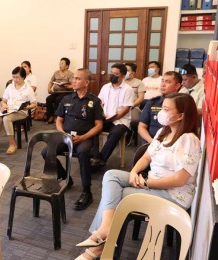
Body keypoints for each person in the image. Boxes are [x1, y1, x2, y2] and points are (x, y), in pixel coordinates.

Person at [74, 93, 201, 260]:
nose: (160, 113)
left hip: (172, 195)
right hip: (150, 182)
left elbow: (180, 180)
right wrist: (134, 172)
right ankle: (105, 230)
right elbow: (147, 157)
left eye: (166, 109)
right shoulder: (164, 131)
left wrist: (148, 183)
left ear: (181, 115)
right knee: (111, 175)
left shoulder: (188, 140)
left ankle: (96, 248)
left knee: (116, 196)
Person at [42, 69, 104, 210]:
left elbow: (99, 126)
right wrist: (63, 133)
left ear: (86, 82)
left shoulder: (94, 101)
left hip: (84, 138)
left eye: (77, 79)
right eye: (73, 78)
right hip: (67, 136)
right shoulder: (67, 99)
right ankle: (66, 178)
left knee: (83, 153)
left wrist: (83, 137)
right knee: (46, 152)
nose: (73, 81)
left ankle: (87, 191)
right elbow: (59, 120)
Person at [90, 63, 134, 167]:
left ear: (123, 75)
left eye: (116, 74)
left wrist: (111, 119)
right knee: (92, 127)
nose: (112, 76)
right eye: (111, 73)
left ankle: (100, 159)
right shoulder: (106, 87)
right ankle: (94, 155)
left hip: (120, 121)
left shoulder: (128, 89)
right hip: (106, 118)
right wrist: (101, 116)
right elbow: (99, 102)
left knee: (115, 132)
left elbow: (126, 109)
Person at [0, 66, 37, 155]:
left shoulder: (28, 88)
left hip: (21, 111)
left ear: (23, 77)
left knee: (6, 119)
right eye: (13, 77)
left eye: (17, 77)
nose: (15, 79)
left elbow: (34, 104)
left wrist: (27, 107)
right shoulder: (10, 86)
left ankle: (12, 144)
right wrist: (4, 106)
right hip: (9, 109)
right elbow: (3, 101)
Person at [138, 71, 182, 144]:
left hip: (174, 144)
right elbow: (141, 127)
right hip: (151, 143)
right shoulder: (152, 102)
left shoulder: (182, 103)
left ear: (177, 86)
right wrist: (152, 142)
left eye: (167, 82)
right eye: (162, 81)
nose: (163, 84)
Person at [45, 57, 74, 124]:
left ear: (67, 66)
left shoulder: (70, 74)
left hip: (66, 92)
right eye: (60, 63)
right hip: (56, 92)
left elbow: (73, 85)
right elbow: (51, 82)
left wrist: (67, 86)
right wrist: (49, 88)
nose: (60, 65)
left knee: (58, 99)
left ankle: (56, 117)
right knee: (48, 99)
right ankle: (50, 116)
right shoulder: (56, 73)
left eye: (62, 63)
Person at [124, 62, 145, 146]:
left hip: (133, 107)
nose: (125, 72)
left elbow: (141, 98)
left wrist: (131, 105)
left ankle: (131, 133)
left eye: (127, 70)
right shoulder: (120, 82)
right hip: (119, 107)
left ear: (133, 72)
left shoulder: (139, 82)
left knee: (134, 121)